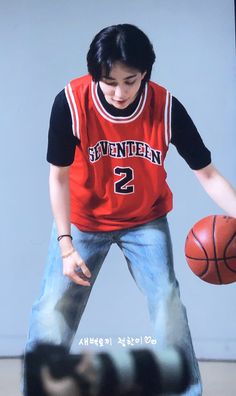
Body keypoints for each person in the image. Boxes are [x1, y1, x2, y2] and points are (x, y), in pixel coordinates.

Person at [24, 24, 236, 396]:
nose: (119, 92)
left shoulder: (166, 106)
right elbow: (57, 178)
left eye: (130, 80)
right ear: (95, 75)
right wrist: (66, 245)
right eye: (109, 81)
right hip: (84, 222)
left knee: (168, 304)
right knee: (50, 311)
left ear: (146, 75)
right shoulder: (71, 103)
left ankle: (188, 393)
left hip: (145, 221)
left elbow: (206, 173)